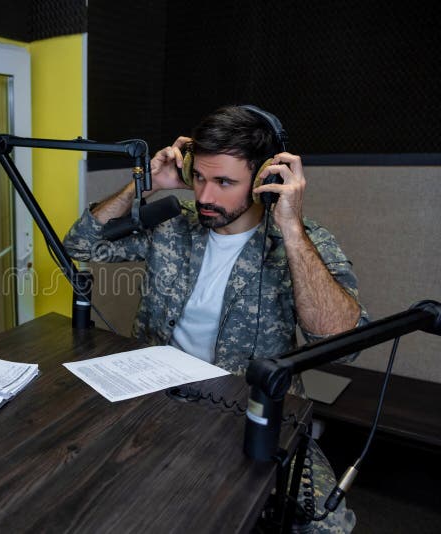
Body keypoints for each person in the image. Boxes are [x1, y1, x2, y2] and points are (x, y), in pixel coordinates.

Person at [63, 105, 366, 532]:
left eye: (224, 182)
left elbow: (342, 340)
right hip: (156, 401)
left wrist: (292, 228)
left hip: (254, 418)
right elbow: (80, 245)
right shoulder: (172, 223)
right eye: (199, 178)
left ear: (267, 180)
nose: (205, 197)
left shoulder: (300, 241)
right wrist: (141, 185)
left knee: (326, 525)